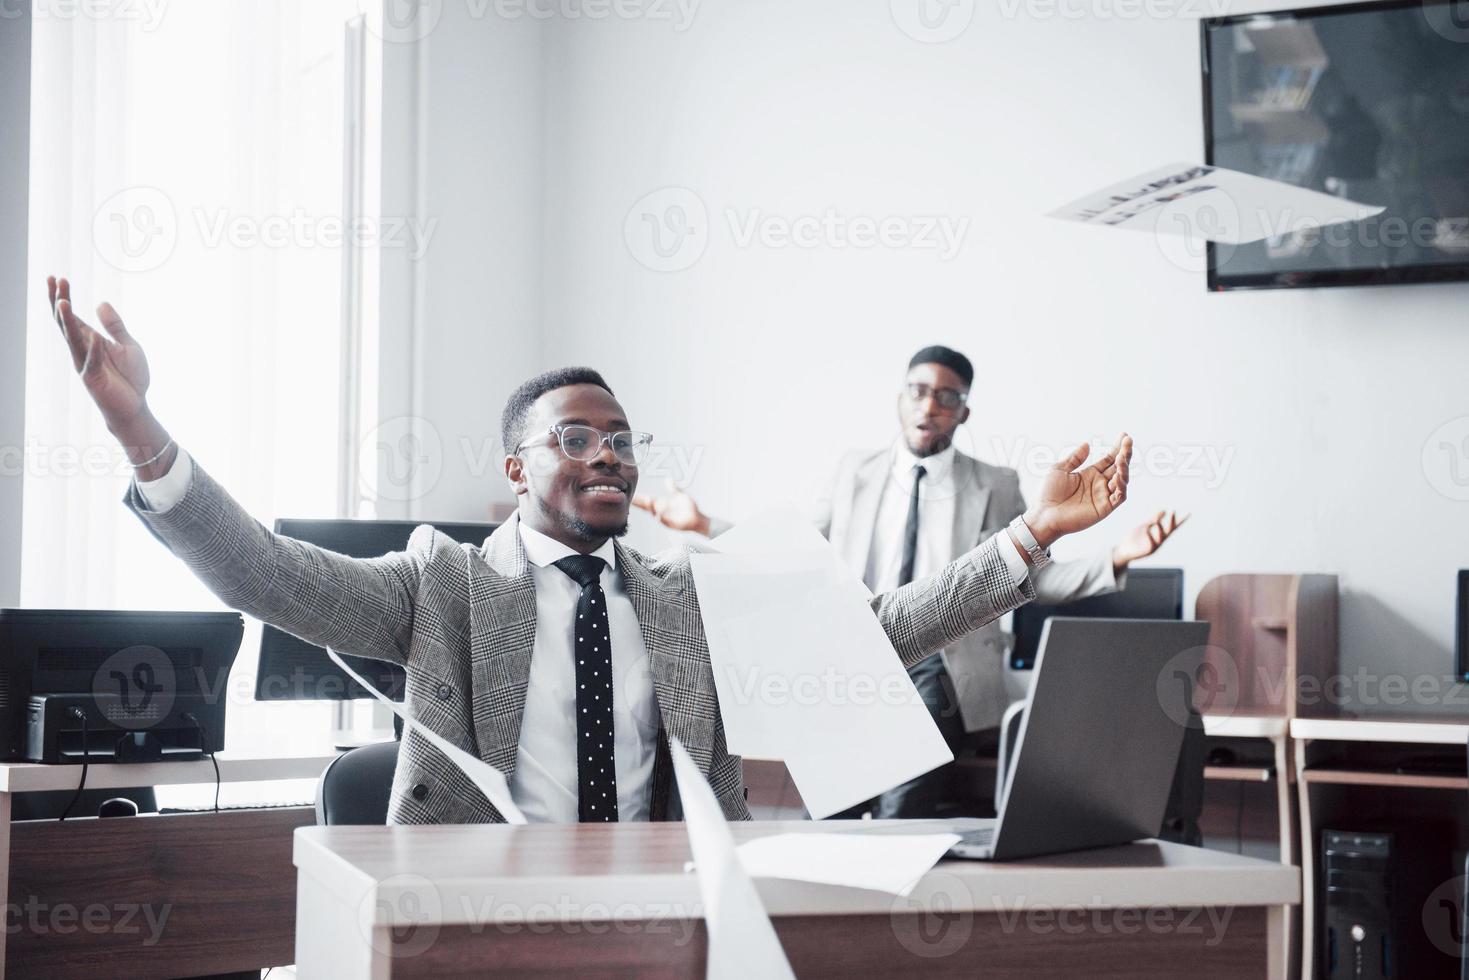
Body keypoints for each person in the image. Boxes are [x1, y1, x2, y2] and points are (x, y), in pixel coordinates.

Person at [49, 277, 1134, 825]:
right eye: (575, 437)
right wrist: (141, 432)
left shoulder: (683, 596)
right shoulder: (444, 584)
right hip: (475, 912)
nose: (606, 454)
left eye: (620, 439)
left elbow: (877, 628)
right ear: (515, 467)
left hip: (663, 905)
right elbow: (262, 573)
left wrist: (1029, 531)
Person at [634, 345, 1185, 818]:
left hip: (943, 659)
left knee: (903, 800)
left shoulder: (995, 484)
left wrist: (1117, 556)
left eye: (947, 396)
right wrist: (703, 524)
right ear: (899, 399)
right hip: (855, 646)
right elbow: (801, 545)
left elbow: (1030, 570)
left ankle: (898, 858)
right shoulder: (855, 470)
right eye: (917, 391)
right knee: (831, 805)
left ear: (964, 411)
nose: (929, 405)